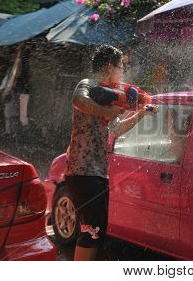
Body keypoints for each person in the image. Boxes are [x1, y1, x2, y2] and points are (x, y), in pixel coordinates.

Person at [64, 45, 159, 261]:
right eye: (121, 66)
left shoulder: (109, 94)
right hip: (83, 171)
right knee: (92, 232)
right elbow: (79, 101)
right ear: (109, 66)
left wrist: (142, 113)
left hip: (96, 172)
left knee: (94, 231)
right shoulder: (87, 85)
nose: (123, 71)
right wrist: (106, 111)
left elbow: (115, 129)